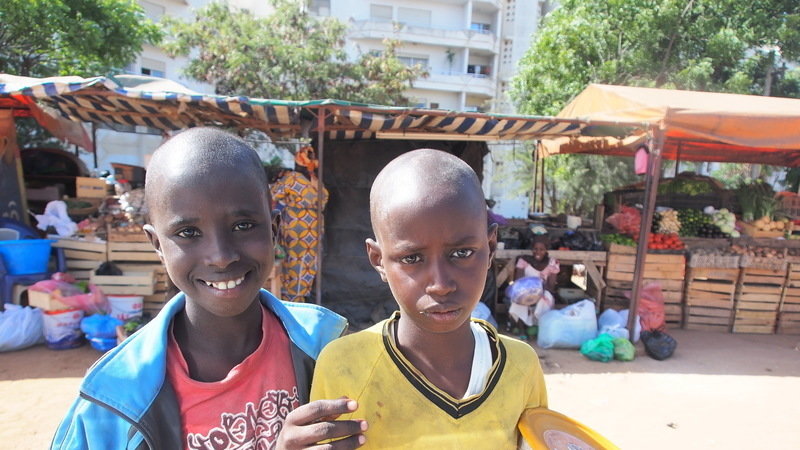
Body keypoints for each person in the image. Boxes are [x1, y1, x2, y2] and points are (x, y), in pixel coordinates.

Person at [51, 128, 366, 449]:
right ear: (157, 245)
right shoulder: (113, 398)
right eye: (188, 232)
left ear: (274, 230)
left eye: (243, 226)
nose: (221, 256)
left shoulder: (325, 346)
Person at [309, 149, 548, 448]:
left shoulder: (521, 366)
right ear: (378, 260)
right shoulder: (345, 366)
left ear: (490, 246)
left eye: (462, 253)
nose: (440, 285)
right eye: (411, 258)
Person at [270, 145, 329, 302]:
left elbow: (273, 194)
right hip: (314, 227)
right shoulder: (316, 181)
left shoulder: (292, 178)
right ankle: (301, 293)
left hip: (297, 225)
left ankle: (290, 297)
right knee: (308, 260)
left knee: (293, 260)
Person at [509, 236, 559, 330]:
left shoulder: (552, 262)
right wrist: (529, 292)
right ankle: (521, 329)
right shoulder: (524, 260)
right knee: (519, 299)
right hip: (526, 290)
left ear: (546, 250)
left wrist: (539, 291)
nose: (538, 252)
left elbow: (551, 286)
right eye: (535, 249)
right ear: (532, 249)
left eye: (541, 249)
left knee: (545, 299)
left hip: (543, 290)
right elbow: (518, 281)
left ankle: (539, 327)